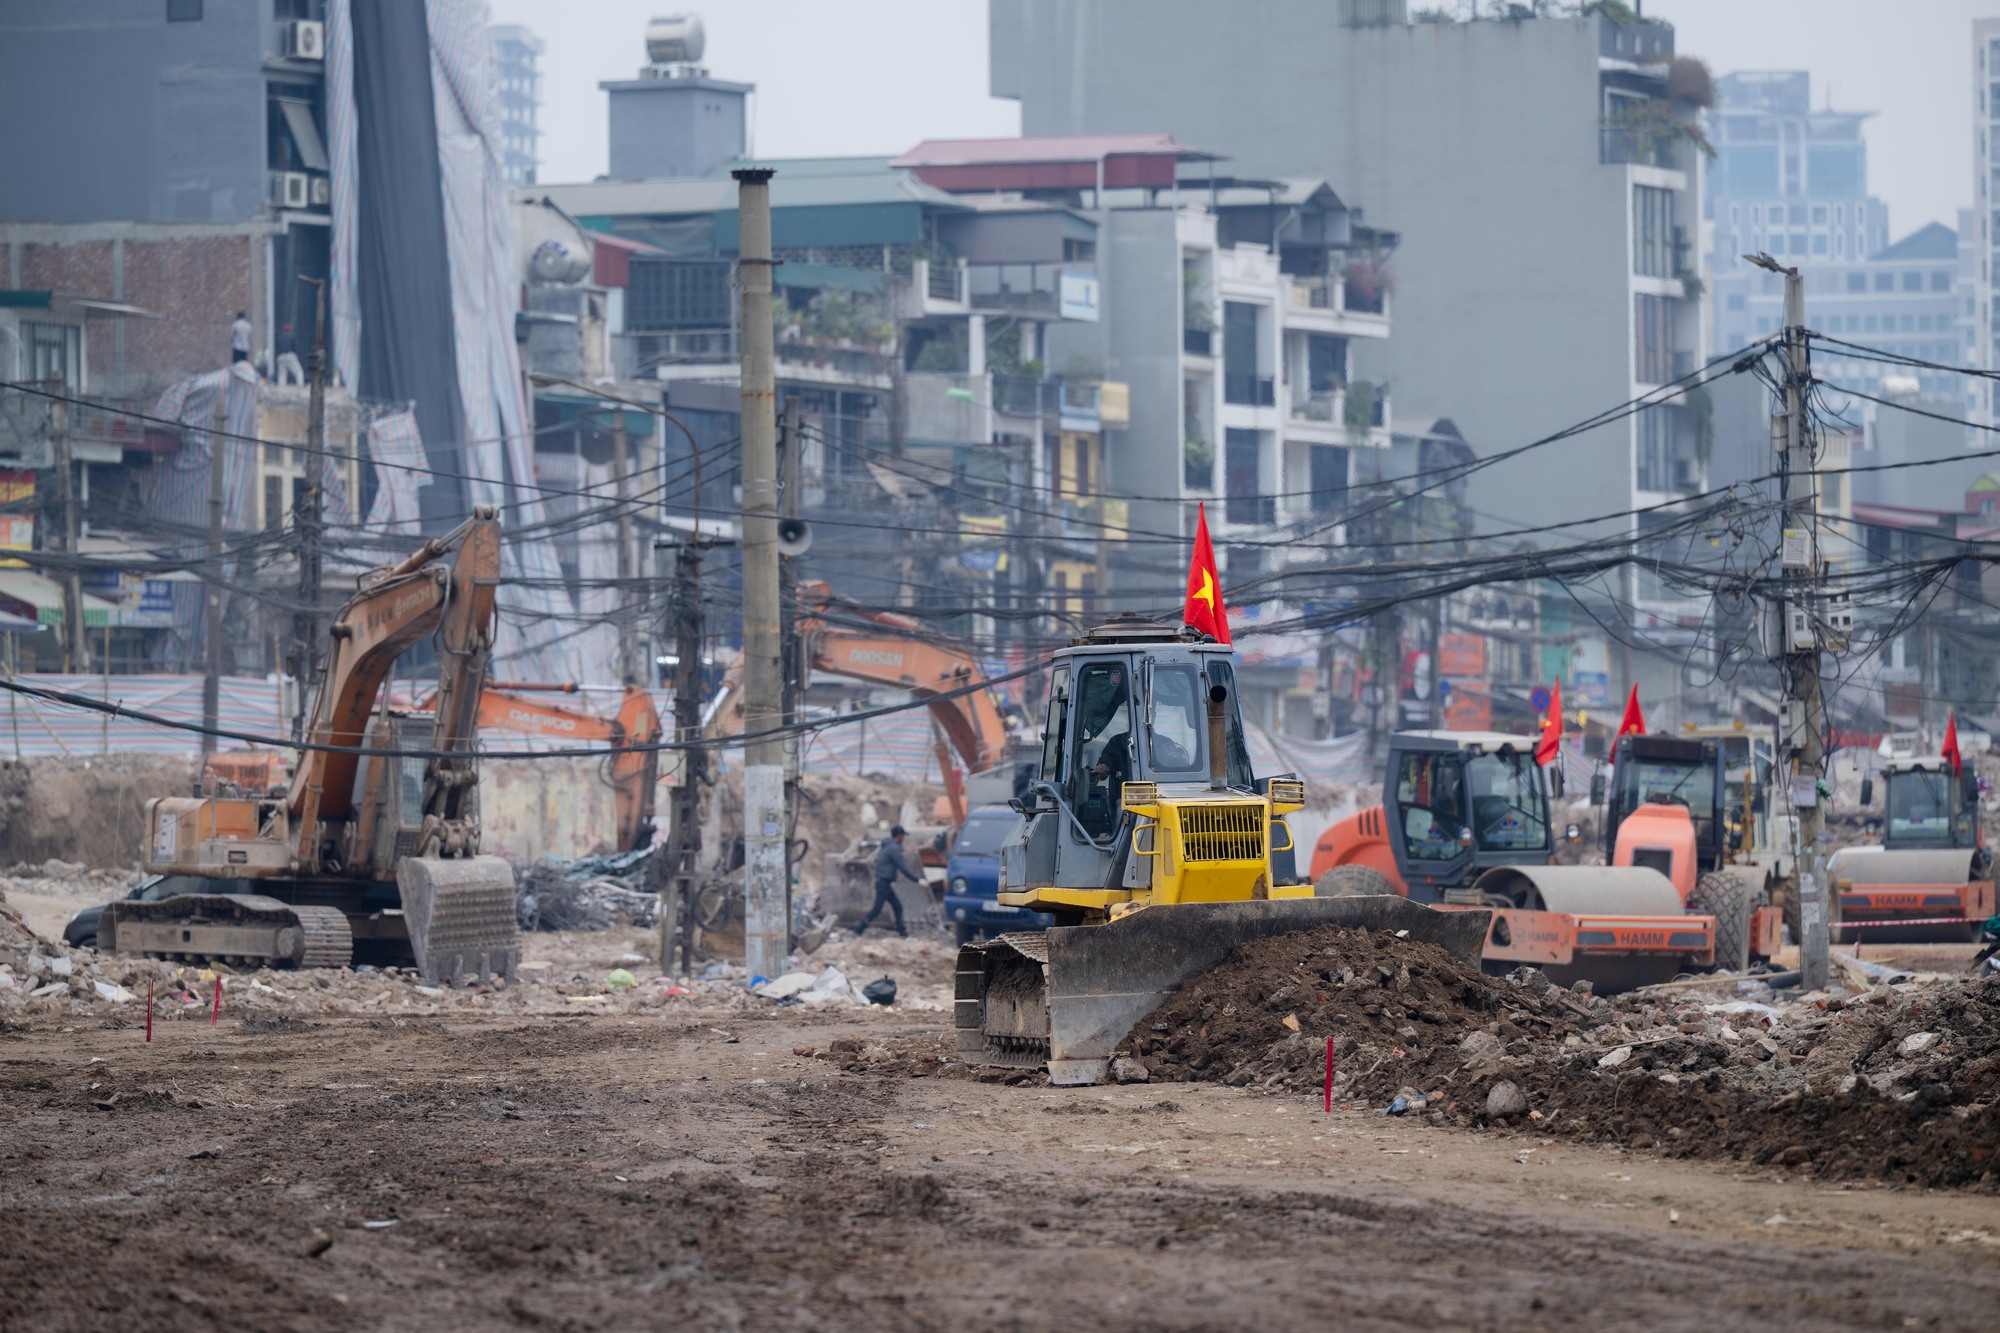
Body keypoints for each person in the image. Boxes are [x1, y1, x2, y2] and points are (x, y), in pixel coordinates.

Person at [857, 824, 920, 937]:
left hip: (884, 882)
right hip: (884, 883)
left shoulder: (887, 846)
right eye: (903, 836)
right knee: (877, 910)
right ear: (899, 836)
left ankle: (902, 933)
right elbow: (903, 867)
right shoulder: (894, 849)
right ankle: (858, 930)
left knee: (897, 907)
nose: (904, 838)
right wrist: (917, 880)